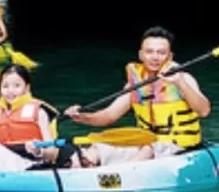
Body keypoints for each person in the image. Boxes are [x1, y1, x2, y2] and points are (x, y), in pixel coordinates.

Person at [65, 25, 211, 157]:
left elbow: (204, 111)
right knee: (96, 149)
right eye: (149, 52)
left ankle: (124, 176)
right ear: (141, 55)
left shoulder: (183, 78)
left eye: (161, 52)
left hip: (179, 146)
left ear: (169, 56)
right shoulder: (135, 85)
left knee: (149, 150)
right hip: (145, 142)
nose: (155, 57)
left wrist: (180, 83)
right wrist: (83, 117)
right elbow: (108, 116)